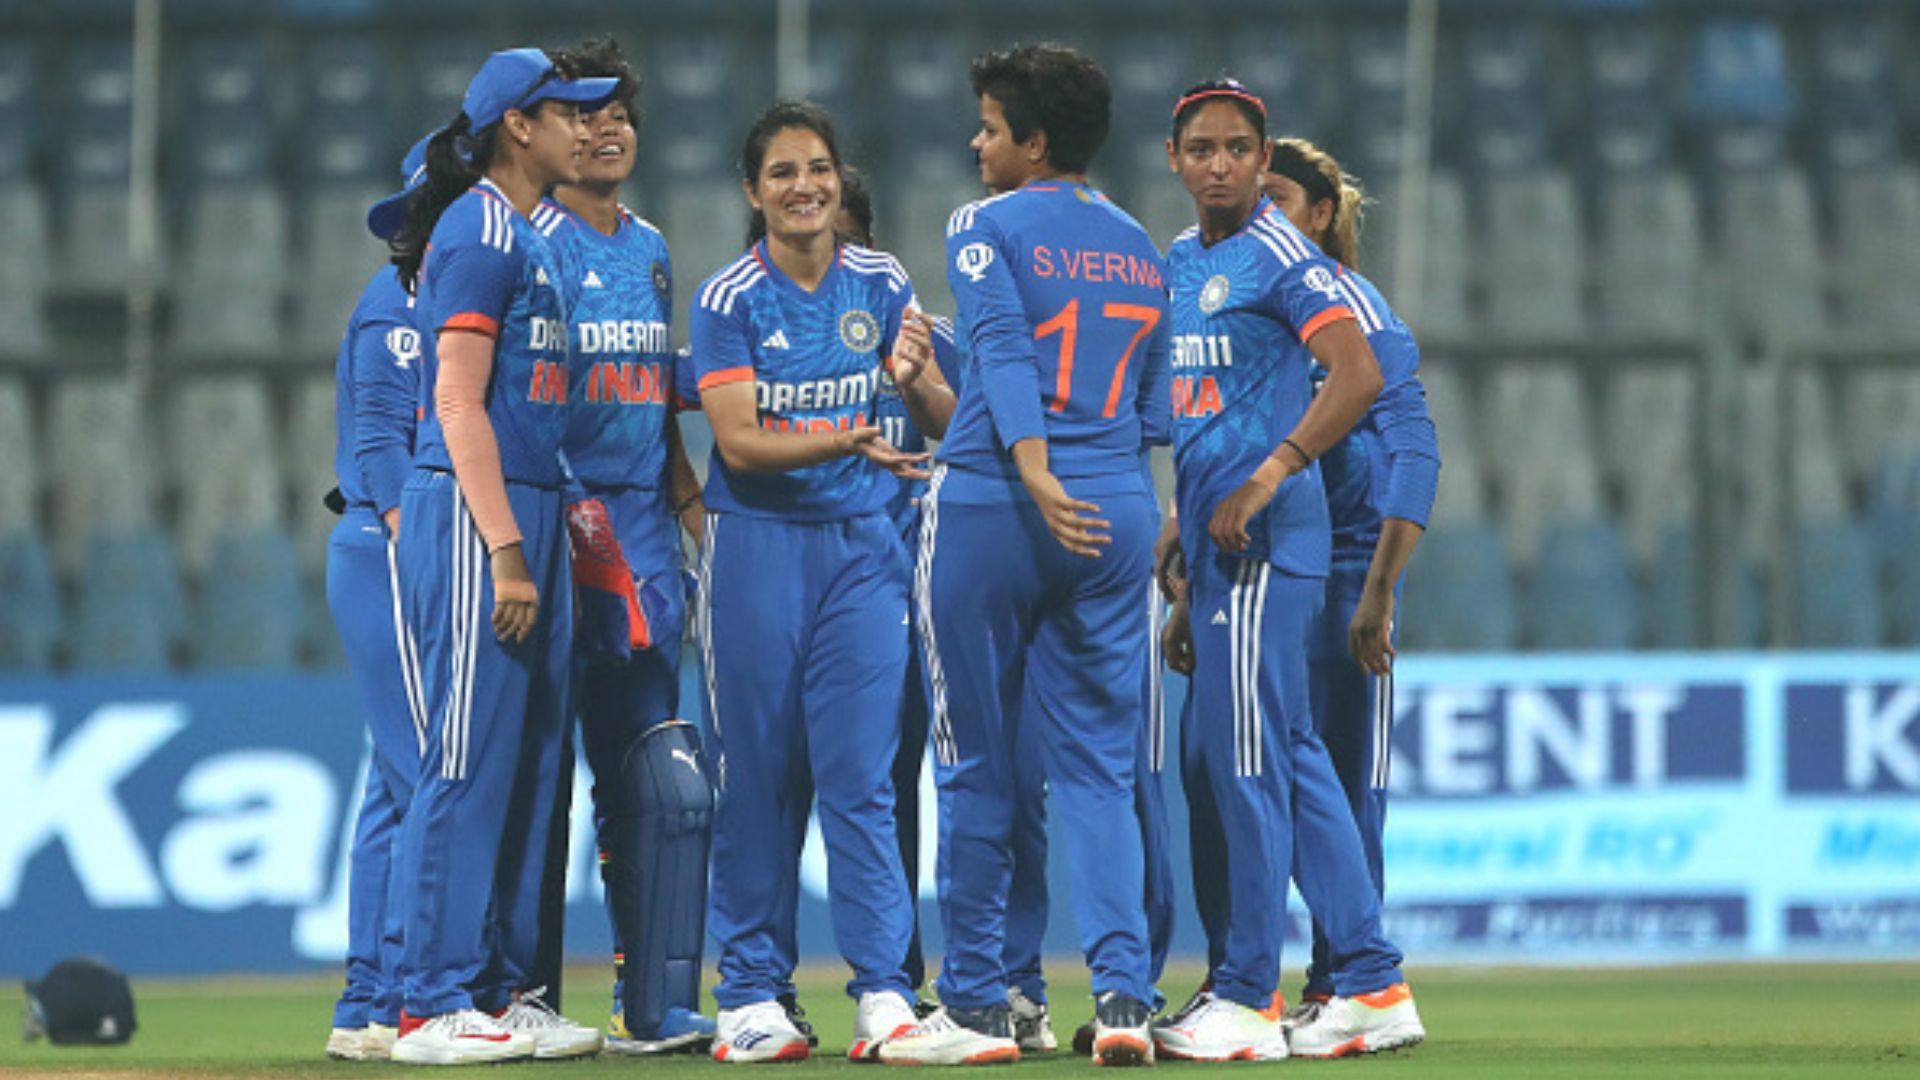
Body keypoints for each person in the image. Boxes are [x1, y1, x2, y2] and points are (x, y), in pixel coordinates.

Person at [880, 43, 1171, 1069]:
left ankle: (976, 1004)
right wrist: (1098, 483)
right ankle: (1125, 996)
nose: (976, 144)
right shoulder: (1144, 246)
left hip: (1000, 506)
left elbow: (999, 347)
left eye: (991, 128)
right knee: (1096, 769)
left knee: (972, 764)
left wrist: (1038, 471)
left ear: (1033, 143)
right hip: (1118, 511)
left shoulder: (983, 225)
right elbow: (1154, 405)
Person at [1150, 78, 1422, 1062]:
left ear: (1265, 163)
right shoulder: (1181, 260)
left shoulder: (1281, 251)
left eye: (1237, 148)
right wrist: (1183, 519)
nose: (1218, 163)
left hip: (1273, 540)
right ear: (1174, 160)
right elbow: (1204, 403)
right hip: (1219, 547)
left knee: (1253, 759)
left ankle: (1249, 996)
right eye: (1201, 148)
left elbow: (1358, 374)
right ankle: (1372, 979)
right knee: (1293, 755)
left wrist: (1273, 472)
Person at [689, 100, 938, 1064]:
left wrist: (909, 377)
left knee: (861, 778)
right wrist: (848, 433)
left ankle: (883, 990)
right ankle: (751, 993)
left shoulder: (880, 279)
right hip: (755, 549)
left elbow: (920, 395)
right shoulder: (726, 299)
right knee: (755, 776)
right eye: (783, 172)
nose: (806, 187)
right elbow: (741, 443)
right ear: (754, 193)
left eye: (820, 168)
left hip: (861, 550)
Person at [383, 47, 617, 1066]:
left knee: (529, 768)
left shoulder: (525, 232)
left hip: (531, 508)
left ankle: (499, 990)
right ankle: (430, 1004)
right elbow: (453, 400)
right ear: (518, 126)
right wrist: (508, 553)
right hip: (482, 516)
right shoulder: (477, 228)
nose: (587, 128)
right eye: (569, 112)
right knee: (467, 758)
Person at [524, 37, 717, 1056]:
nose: (607, 131)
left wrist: (687, 498)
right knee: (538, 778)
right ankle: (518, 999)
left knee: (657, 780)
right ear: (546, 131)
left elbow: (654, 401)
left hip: (642, 537)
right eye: (585, 114)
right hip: (561, 531)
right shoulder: (531, 242)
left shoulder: (649, 247)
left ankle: (653, 1004)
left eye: (621, 114)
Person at [1258, 137, 1440, 1044]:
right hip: (1273, 572)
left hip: (1343, 580)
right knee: (1268, 777)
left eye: (1278, 199)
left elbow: (1416, 453)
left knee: (1343, 788)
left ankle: (1354, 986)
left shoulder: (1358, 314)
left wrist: (1378, 590)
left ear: (1321, 215)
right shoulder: (1249, 313)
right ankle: (1288, 983)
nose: (1260, 215)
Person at [323, 135, 431, 1064]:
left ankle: (367, 998)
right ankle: (404, 997)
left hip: (383, 546)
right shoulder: (394, 306)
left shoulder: (428, 296)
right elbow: (382, 449)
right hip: (388, 547)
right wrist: (418, 540)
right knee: (425, 770)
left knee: (391, 787)